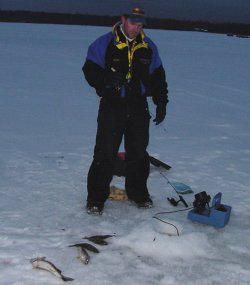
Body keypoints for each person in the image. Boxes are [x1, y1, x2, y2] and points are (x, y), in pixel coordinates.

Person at [82, 7, 168, 214]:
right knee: (105, 152)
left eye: (140, 24)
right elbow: (89, 70)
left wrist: (161, 102)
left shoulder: (148, 46)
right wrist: (106, 82)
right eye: (133, 23)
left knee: (138, 152)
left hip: (138, 105)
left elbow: (158, 76)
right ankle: (96, 199)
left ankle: (138, 193)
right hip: (112, 105)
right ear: (123, 20)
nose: (137, 28)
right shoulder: (104, 43)